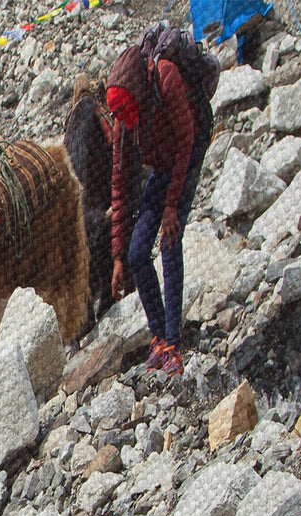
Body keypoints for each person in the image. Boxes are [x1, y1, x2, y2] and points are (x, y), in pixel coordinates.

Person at [105, 43, 208, 376]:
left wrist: (172, 205)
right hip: (161, 166)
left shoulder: (167, 79)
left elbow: (186, 140)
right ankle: (158, 337)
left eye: (123, 111)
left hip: (186, 156)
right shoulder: (124, 120)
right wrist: (118, 255)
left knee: (169, 243)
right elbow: (119, 183)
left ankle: (175, 344)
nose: (120, 120)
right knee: (137, 255)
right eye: (116, 114)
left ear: (135, 94)